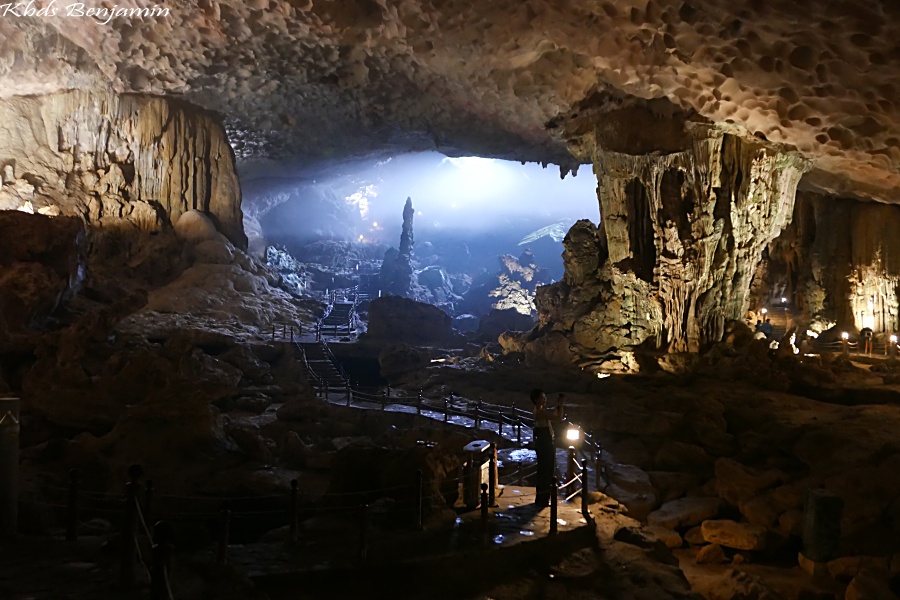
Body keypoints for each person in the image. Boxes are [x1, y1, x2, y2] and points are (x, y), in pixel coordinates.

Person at [530, 388, 564, 507]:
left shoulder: (539, 411)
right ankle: (542, 499)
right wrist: (560, 405)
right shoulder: (540, 412)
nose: (545, 399)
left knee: (544, 470)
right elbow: (557, 418)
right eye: (542, 397)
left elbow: (554, 415)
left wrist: (557, 407)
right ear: (536, 399)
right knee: (546, 470)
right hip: (545, 443)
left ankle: (542, 498)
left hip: (543, 442)